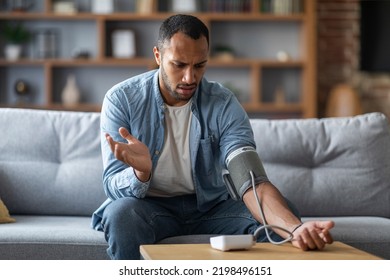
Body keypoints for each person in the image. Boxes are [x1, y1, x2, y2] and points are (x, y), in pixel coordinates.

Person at [92, 14, 334, 260]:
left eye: (199, 65)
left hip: (210, 208)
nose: (190, 78)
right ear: (158, 56)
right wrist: (140, 173)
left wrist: (295, 228)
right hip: (149, 207)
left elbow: (251, 181)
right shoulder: (122, 100)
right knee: (120, 215)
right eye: (179, 65)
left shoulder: (223, 104)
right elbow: (112, 185)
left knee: (283, 218)